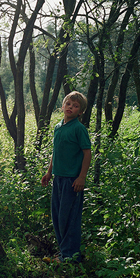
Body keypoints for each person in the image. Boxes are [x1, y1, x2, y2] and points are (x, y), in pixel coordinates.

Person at [41, 91, 92, 263]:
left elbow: (87, 153)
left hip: (72, 181)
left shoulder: (79, 129)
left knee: (69, 217)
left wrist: (82, 177)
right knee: (57, 216)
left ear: (80, 112)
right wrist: (49, 172)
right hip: (58, 178)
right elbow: (55, 152)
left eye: (76, 106)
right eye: (69, 104)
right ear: (63, 106)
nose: (71, 107)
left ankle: (70, 255)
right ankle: (64, 252)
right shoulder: (58, 127)